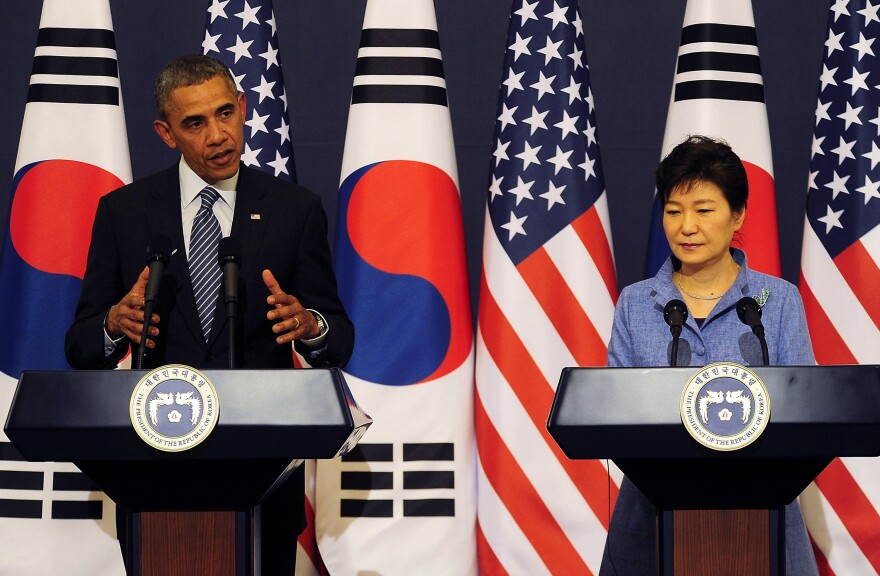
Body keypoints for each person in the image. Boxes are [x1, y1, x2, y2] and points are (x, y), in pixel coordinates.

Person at [65, 54, 354, 573]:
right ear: (166, 132)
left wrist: (310, 325)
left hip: (262, 477)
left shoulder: (294, 210)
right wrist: (113, 325)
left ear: (243, 108)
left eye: (225, 113)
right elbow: (80, 345)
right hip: (155, 476)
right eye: (194, 123)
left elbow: (339, 339)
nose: (217, 135)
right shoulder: (124, 213)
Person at [598, 135, 818, 575]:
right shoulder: (637, 303)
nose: (686, 227)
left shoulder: (777, 301)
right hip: (650, 518)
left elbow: (806, 413)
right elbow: (612, 413)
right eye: (674, 211)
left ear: (737, 215)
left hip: (764, 517)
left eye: (704, 210)